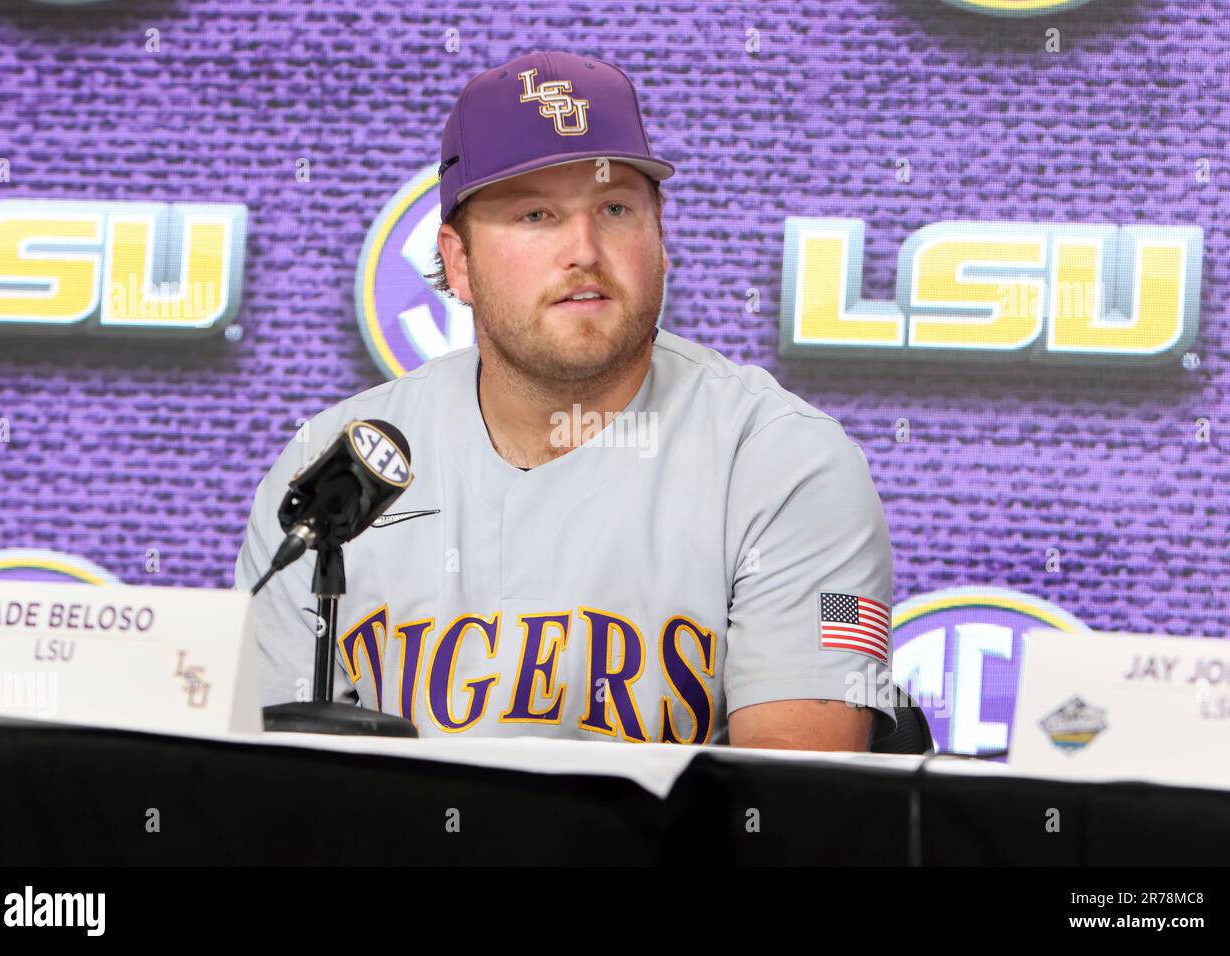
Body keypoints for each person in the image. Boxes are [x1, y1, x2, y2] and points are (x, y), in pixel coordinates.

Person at [235, 50, 897, 750]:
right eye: (535, 215)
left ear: (660, 237)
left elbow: (790, 807)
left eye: (615, 208)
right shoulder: (332, 467)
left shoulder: (791, 464)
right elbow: (271, 784)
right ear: (458, 261)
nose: (583, 249)